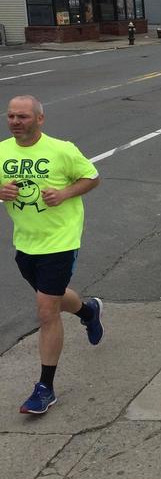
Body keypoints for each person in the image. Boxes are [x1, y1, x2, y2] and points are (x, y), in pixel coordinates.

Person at [0, 95, 104, 415]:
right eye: (11, 116)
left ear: (40, 119)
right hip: (26, 242)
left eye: (23, 117)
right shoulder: (2, 151)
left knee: (46, 311)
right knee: (53, 299)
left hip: (60, 240)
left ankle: (45, 388)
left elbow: (92, 177)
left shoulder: (62, 149)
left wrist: (64, 193)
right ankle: (88, 312)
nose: (16, 122)